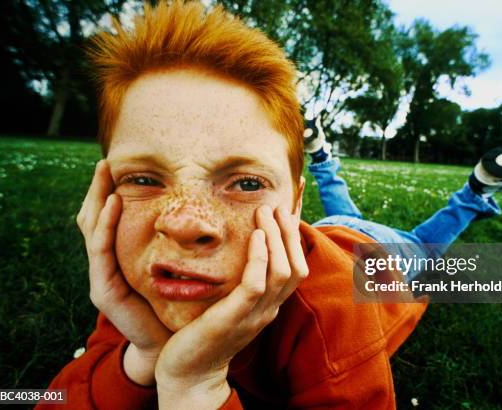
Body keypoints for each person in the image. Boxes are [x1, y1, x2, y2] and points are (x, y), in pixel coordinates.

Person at [37, 2, 428, 409]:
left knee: (428, 247)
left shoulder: (336, 314)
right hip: (327, 232)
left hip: (381, 260)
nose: (185, 224)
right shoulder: (152, 279)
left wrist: (196, 386)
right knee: (341, 205)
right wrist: (144, 354)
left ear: (294, 206)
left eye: (245, 183)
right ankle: (323, 158)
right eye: (143, 179)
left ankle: (472, 195)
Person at [303, 115, 502, 280]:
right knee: (417, 244)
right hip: (344, 240)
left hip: (334, 240)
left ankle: (320, 153)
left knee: (353, 223)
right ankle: (479, 189)